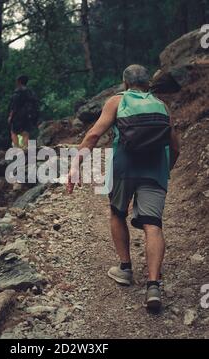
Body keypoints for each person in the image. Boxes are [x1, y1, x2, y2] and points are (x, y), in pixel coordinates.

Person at [67, 64, 180, 311]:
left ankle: (125, 268)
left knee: (118, 212)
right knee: (153, 225)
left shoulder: (117, 101)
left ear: (125, 83)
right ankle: (153, 286)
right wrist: (165, 169)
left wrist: (75, 166)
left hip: (124, 168)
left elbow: (94, 135)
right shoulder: (161, 105)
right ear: (148, 83)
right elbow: (175, 146)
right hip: (155, 169)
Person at [8, 75, 38, 148]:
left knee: (14, 132)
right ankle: (25, 148)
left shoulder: (17, 93)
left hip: (18, 116)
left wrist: (10, 116)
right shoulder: (30, 92)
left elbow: (14, 106)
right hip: (28, 115)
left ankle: (16, 147)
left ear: (19, 82)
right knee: (25, 133)